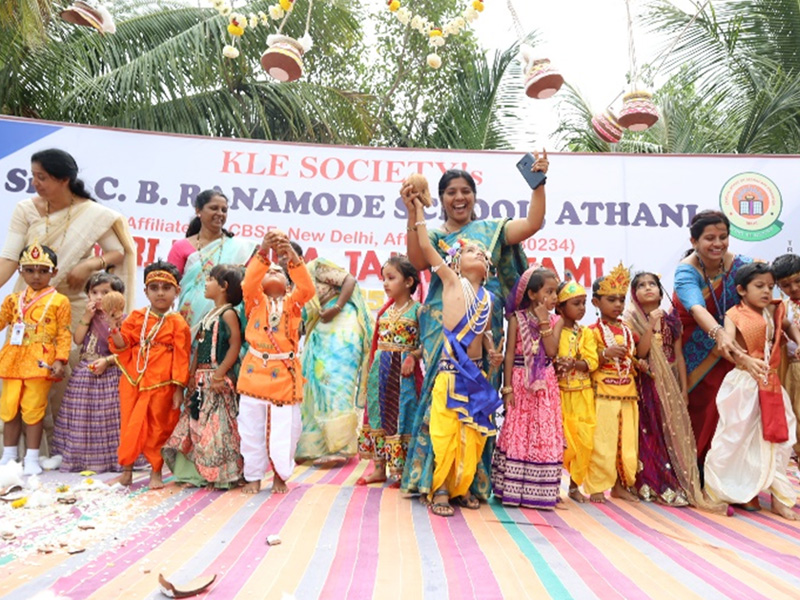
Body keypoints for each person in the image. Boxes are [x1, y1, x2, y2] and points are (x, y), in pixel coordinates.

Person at [401, 151, 549, 501]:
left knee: (478, 404)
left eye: (465, 190)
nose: (459, 197)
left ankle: (471, 482)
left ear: (474, 196)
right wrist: (412, 211)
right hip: (443, 327)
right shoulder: (434, 236)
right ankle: (434, 481)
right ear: (439, 199)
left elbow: (532, 223)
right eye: (450, 191)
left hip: (486, 329)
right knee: (444, 403)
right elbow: (418, 260)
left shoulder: (491, 231)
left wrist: (538, 184)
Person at [0, 149, 136, 450]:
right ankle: (24, 451)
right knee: (24, 372)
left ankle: (65, 447)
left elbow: (116, 252)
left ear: (64, 180)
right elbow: (9, 259)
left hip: (75, 304)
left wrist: (89, 265)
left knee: (69, 372)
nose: (35, 182)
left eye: (42, 177)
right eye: (33, 175)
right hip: (30, 303)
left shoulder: (93, 213)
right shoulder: (26, 209)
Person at [411, 196, 503, 517]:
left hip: (476, 374)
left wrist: (492, 352)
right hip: (451, 372)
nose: (477, 253)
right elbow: (425, 247)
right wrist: (418, 211)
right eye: (469, 251)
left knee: (472, 435)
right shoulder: (451, 282)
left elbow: (486, 331)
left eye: (481, 252)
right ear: (455, 262)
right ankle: (441, 489)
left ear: (488, 266)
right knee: (447, 433)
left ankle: (462, 488)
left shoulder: (489, 298)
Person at [704, 262, 800, 520]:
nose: (767, 291)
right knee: (738, 438)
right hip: (744, 384)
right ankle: (739, 491)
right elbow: (726, 345)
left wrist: (798, 341)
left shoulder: (774, 310)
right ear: (741, 290)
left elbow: (789, 326)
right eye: (759, 286)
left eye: (770, 286)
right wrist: (743, 358)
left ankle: (780, 498)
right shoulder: (733, 314)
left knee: (779, 438)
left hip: (771, 385)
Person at [237, 232, 314, 494]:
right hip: (253, 373)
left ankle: (281, 476)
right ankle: (254, 476)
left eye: (278, 271)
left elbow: (308, 289)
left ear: (288, 283)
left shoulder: (293, 303)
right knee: (250, 429)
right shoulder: (255, 301)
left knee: (285, 431)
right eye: (267, 270)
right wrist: (264, 249)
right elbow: (248, 283)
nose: (272, 271)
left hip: (284, 375)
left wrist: (291, 256)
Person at [673, 210, 752, 465]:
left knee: (734, 411)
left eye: (723, 236)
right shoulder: (686, 271)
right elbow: (696, 308)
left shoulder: (742, 266)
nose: (718, 243)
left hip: (734, 348)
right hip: (696, 350)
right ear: (693, 242)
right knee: (703, 410)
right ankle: (697, 469)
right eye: (709, 238)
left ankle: (731, 472)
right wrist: (719, 335)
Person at [108, 261, 191, 489]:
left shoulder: (177, 323)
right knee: (130, 426)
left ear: (177, 292)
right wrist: (114, 328)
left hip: (162, 384)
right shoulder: (136, 317)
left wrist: (178, 389)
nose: (160, 293)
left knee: (158, 429)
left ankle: (156, 472)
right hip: (134, 381)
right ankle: (127, 472)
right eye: (154, 288)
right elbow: (122, 345)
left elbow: (182, 357)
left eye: (166, 287)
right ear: (145, 291)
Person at [162, 264, 244, 489]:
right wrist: (191, 374)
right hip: (200, 379)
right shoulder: (210, 314)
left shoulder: (228, 314)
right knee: (195, 426)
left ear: (224, 287)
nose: (205, 284)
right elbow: (199, 348)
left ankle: (220, 475)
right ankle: (195, 474)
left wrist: (219, 374)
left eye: (210, 280)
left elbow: (234, 345)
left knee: (216, 428)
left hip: (216, 379)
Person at [492, 266, 562, 509]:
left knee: (542, 431)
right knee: (519, 429)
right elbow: (509, 354)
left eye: (556, 292)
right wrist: (507, 388)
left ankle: (540, 491)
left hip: (545, 384)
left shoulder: (555, 320)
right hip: (520, 382)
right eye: (549, 291)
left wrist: (544, 323)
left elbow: (551, 351)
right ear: (532, 294)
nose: (554, 297)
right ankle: (512, 489)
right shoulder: (516, 319)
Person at [0, 243, 71, 475]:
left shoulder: (60, 301)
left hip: (40, 362)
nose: (36, 276)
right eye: (30, 270)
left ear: (54, 272)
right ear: (20, 271)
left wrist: (61, 359)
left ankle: (32, 457)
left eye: (43, 270)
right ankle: (9, 456)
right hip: (12, 360)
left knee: (33, 410)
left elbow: (63, 333)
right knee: (9, 409)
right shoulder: (12, 300)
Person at [296, 257, 373, 467]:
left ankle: (339, 446)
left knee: (334, 382)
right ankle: (314, 448)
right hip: (319, 328)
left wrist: (337, 307)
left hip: (342, 323)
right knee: (313, 384)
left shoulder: (316, 267)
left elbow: (349, 280)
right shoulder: (285, 284)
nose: (284, 260)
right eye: (281, 257)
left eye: (288, 255)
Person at [52, 272, 129, 473]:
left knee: (107, 419)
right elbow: (77, 340)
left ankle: (110, 460)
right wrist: (86, 317)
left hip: (110, 375)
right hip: (85, 373)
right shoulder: (89, 317)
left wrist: (113, 326)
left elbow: (124, 350)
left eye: (105, 292)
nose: (98, 297)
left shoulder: (125, 320)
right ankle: (79, 459)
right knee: (81, 417)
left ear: (119, 296)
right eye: (93, 292)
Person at [625, 272, 689, 506]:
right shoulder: (632, 320)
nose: (648, 288)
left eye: (652, 284)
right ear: (634, 294)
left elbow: (679, 356)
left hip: (671, 383)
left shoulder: (672, 320)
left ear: (661, 292)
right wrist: (651, 324)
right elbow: (640, 353)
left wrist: (684, 389)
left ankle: (676, 481)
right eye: (641, 285)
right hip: (648, 383)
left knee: (671, 432)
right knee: (650, 432)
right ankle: (652, 482)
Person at [357, 256, 422, 487]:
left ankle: (401, 472)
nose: (385, 283)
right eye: (383, 278)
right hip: (381, 372)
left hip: (402, 374)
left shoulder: (418, 311)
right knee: (378, 415)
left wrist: (413, 356)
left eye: (391, 278)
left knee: (401, 416)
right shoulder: (384, 312)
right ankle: (378, 469)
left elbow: (428, 343)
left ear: (408, 282)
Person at [584, 263, 640, 504]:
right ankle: (597, 486)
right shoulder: (591, 331)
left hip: (628, 393)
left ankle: (620, 485)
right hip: (603, 393)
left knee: (626, 443)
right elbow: (586, 361)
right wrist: (605, 354)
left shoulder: (628, 330)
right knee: (603, 442)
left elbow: (632, 357)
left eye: (621, 299)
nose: (618, 305)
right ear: (596, 302)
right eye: (611, 299)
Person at [168, 190, 257, 332]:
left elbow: (252, 281)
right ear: (198, 210)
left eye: (224, 210)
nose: (220, 213)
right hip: (188, 320)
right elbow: (169, 285)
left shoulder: (239, 248)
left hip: (226, 321)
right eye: (214, 208)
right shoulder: (181, 247)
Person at [554, 279, 598, 503]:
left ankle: (574, 486)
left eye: (584, 303)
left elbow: (592, 362)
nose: (582, 308)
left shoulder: (586, 333)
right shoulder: (553, 330)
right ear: (560, 307)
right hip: (559, 394)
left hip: (582, 394)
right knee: (562, 441)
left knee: (583, 441)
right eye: (576, 304)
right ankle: (552, 487)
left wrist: (573, 364)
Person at [774, 253, 800, 455]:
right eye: (786, 285)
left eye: (798, 281)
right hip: (793, 368)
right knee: (795, 411)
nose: (794, 289)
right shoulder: (781, 308)